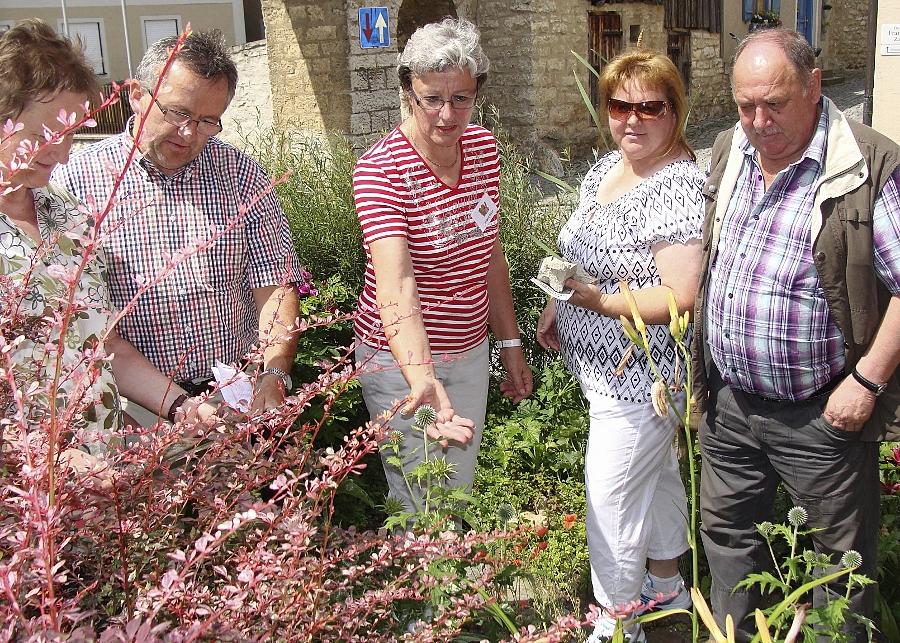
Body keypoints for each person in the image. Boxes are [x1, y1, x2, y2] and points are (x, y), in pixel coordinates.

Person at [693, 27, 900, 641]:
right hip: (732, 409)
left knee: (840, 578)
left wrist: (867, 380)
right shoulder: (730, 151)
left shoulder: (867, 163)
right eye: (744, 105)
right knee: (729, 552)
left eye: (774, 103)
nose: (758, 120)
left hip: (823, 416)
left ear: (814, 87)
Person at [536, 50, 704, 642]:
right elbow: (580, 246)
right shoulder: (606, 168)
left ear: (675, 112)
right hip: (602, 367)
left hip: (644, 378)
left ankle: (616, 619)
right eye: (618, 104)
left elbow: (681, 295)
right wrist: (559, 299)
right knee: (652, 477)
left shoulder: (677, 185)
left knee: (609, 497)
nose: (631, 120)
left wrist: (596, 302)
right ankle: (666, 584)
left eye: (648, 108)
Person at [53, 30, 306, 422]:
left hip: (231, 394)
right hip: (133, 407)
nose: (189, 134)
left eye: (208, 121)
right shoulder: (75, 184)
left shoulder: (241, 175)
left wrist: (272, 375)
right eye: (178, 113)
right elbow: (82, 326)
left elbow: (275, 285)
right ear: (137, 95)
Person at [0, 19, 215, 458]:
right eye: (45, 134)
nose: (61, 153)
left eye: (71, 132)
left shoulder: (64, 212)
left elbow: (103, 344)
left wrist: (180, 406)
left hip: (106, 475)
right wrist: (53, 460)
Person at [353, 18, 533, 514]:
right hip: (398, 362)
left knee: (458, 485)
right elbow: (398, 283)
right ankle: (427, 590)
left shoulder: (482, 148)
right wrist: (420, 376)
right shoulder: (380, 170)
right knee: (418, 495)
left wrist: (509, 342)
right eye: (432, 98)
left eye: (461, 98)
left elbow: (489, 249)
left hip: (469, 352)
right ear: (408, 90)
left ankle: (453, 590)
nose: (447, 115)